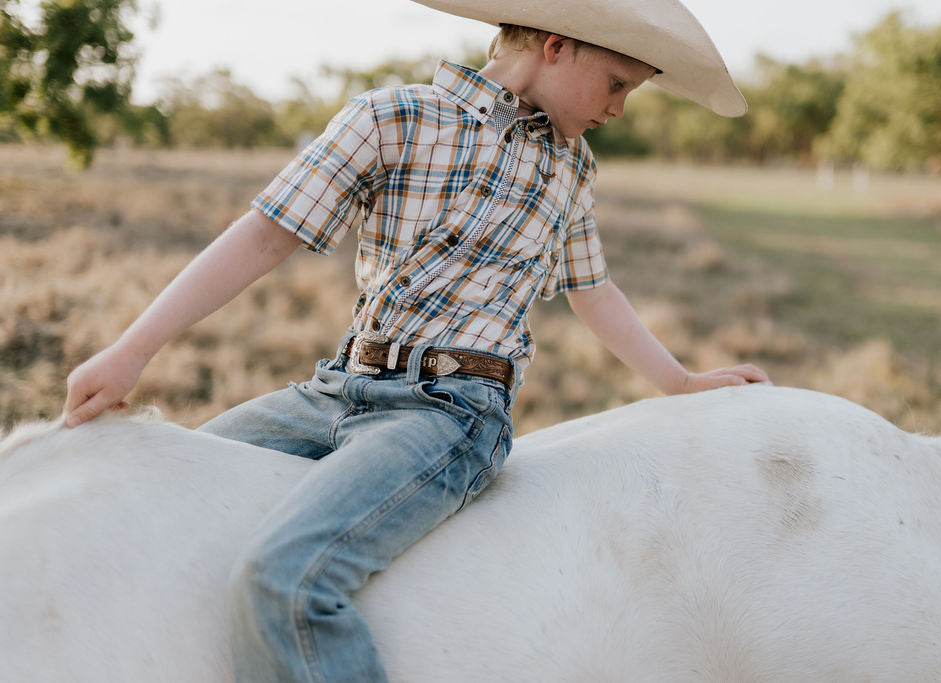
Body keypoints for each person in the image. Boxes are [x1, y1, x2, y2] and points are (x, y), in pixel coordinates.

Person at [63, 0, 768, 680]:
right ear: (556, 45)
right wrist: (131, 351)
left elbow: (593, 289)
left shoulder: (570, 165)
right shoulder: (391, 116)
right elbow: (266, 233)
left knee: (284, 577)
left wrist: (680, 383)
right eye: (617, 84)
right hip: (335, 390)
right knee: (162, 488)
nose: (617, 108)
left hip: (450, 413)